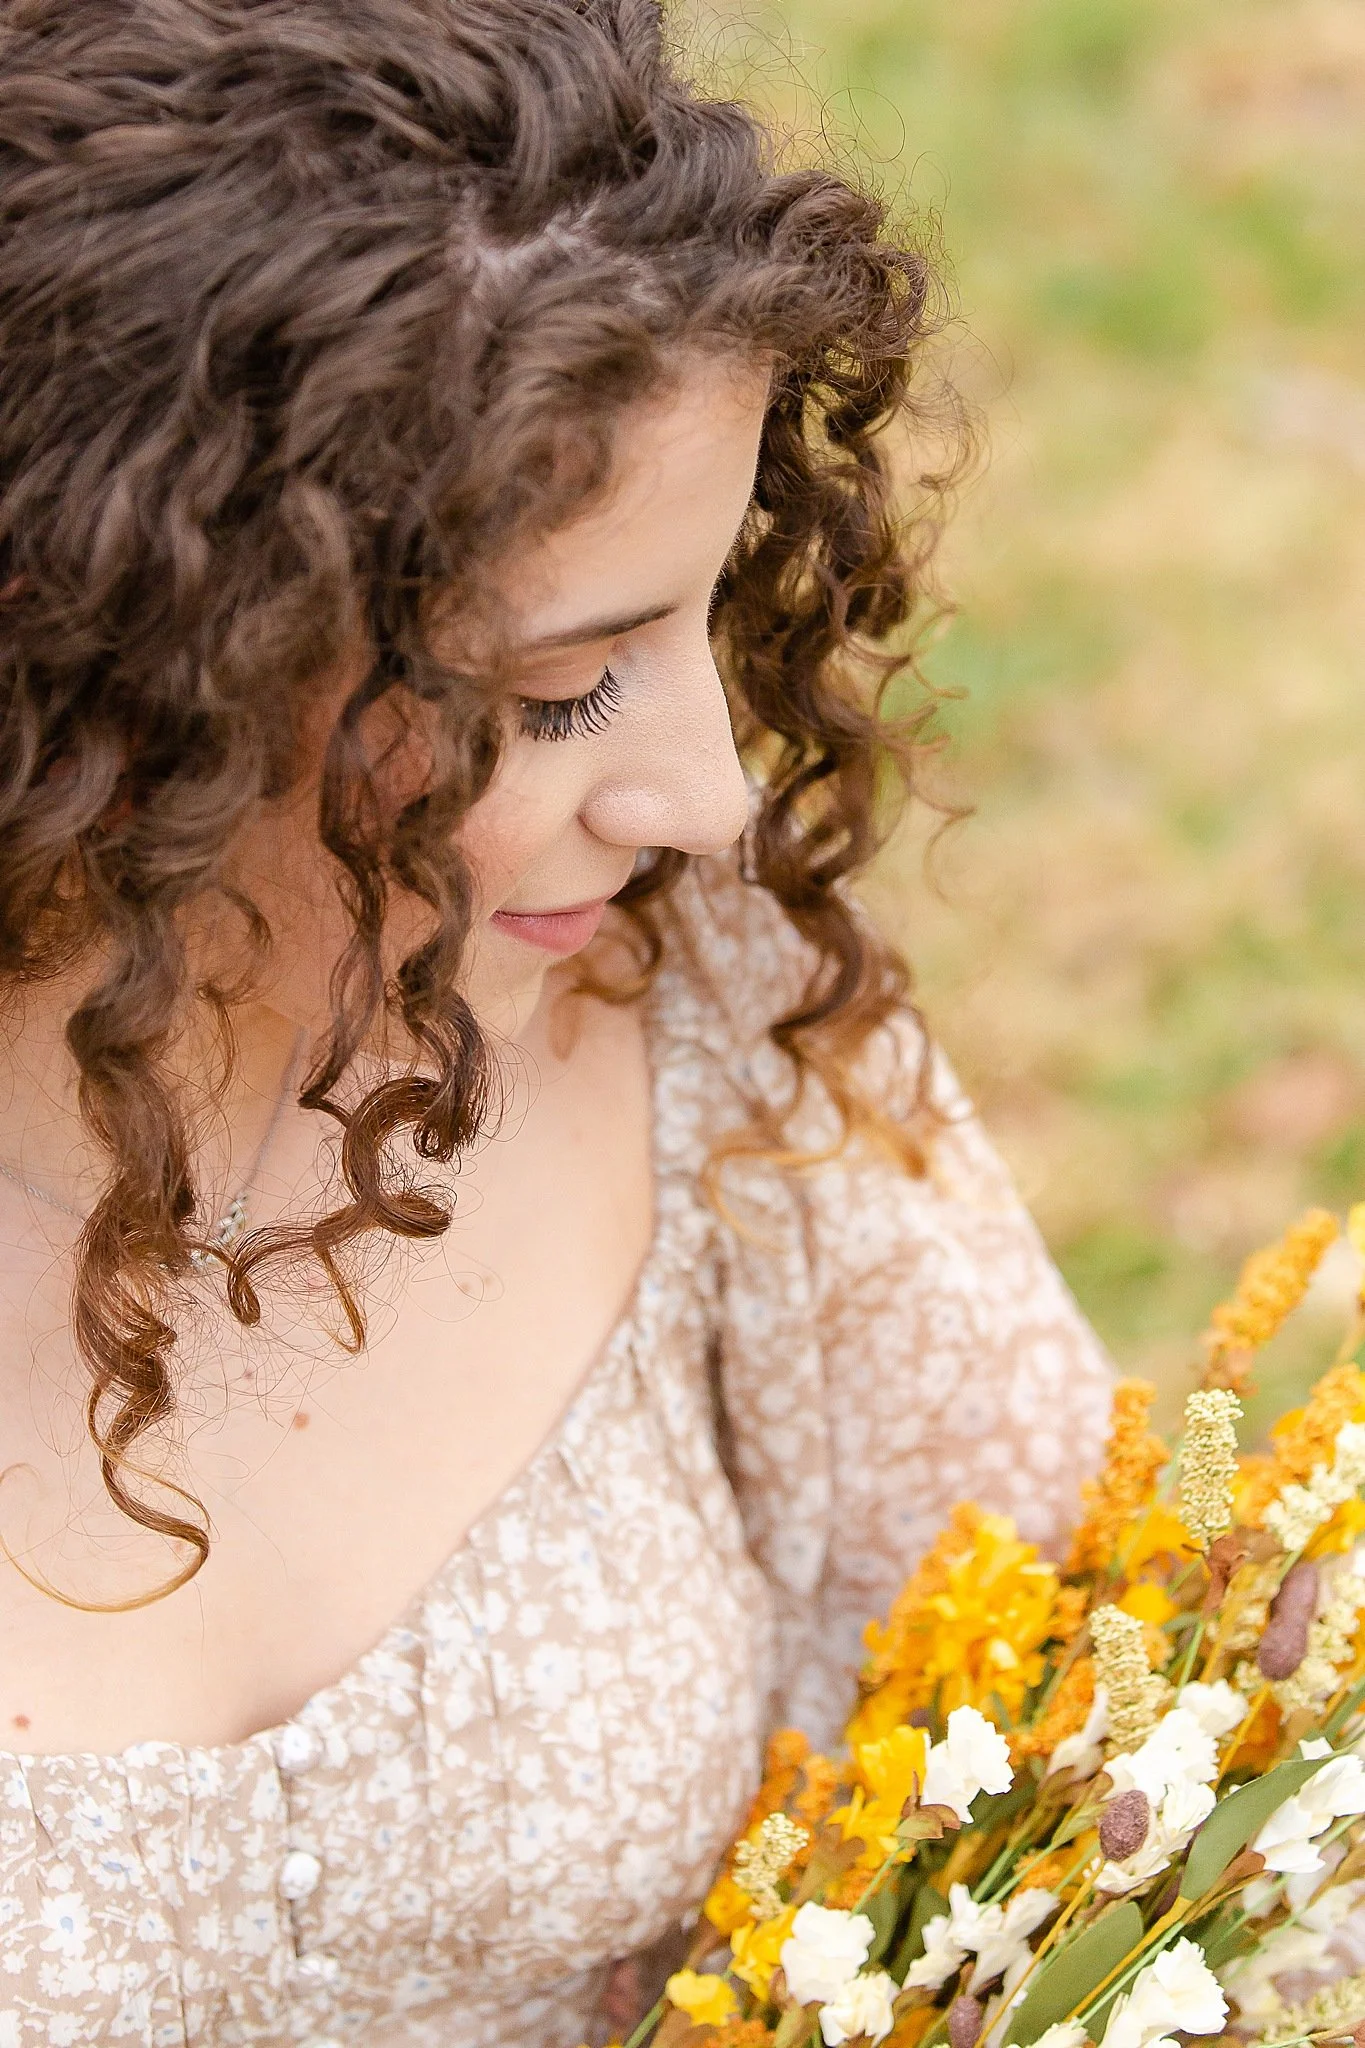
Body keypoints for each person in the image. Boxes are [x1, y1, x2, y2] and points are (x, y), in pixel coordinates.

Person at [0, 2, 1113, 2042]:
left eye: (691, 618)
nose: (705, 793)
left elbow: (1114, 1727)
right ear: (137, 672)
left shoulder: (700, 1002)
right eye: (561, 684)